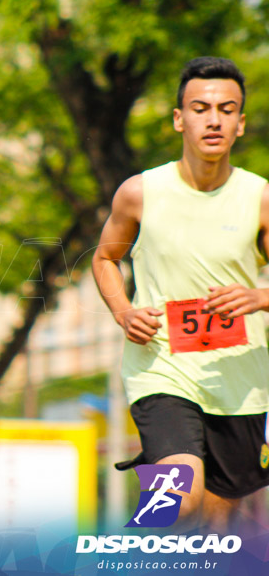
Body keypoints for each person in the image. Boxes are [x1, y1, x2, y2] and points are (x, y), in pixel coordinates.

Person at [93, 56, 269, 531]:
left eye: (227, 109)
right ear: (179, 119)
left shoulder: (260, 197)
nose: (213, 119)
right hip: (162, 369)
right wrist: (123, 311)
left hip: (242, 386)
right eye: (200, 107)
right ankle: (131, 549)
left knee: (213, 529)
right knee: (177, 499)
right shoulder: (140, 192)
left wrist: (261, 298)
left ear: (240, 124)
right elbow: (105, 258)